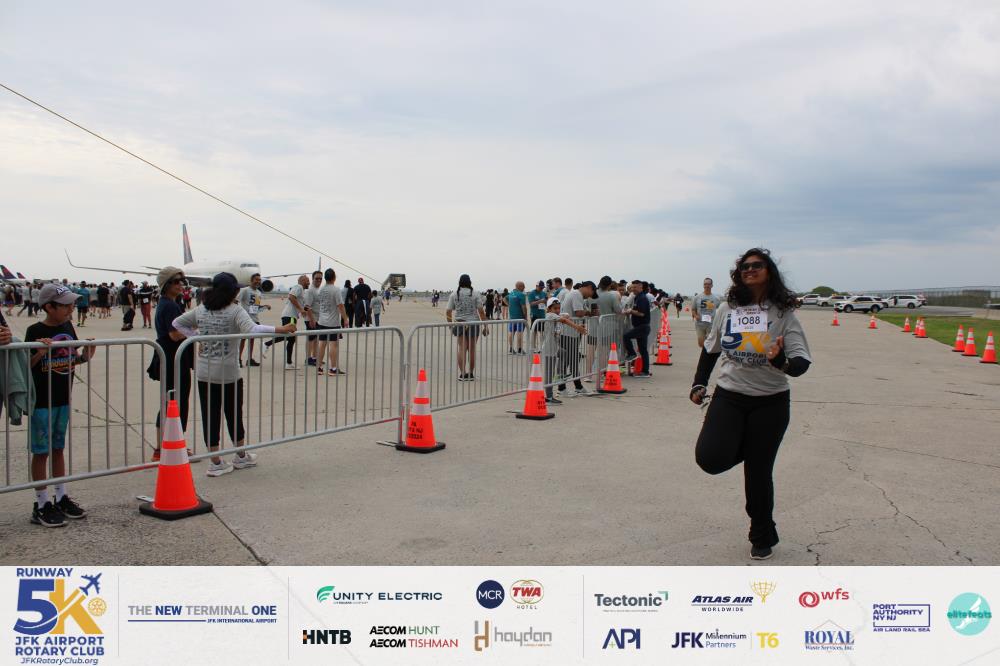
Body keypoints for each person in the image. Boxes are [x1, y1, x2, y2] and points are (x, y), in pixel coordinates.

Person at [690, 248, 812, 561]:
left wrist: (781, 360)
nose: (750, 270)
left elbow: (800, 363)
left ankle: (762, 534)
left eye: (757, 265)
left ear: (769, 271)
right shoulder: (727, 308)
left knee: (758, 472)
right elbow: (711, 349)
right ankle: (750, 446)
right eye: (745, 266)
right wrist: (699, 382)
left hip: (770, 402)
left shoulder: (782, 313)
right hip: (729, 395)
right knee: (710, 458)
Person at [172, 272, 296, 477]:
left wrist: (197, 337)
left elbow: (178, 323)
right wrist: (281, 329)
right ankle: (240, 455)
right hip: (228, 372)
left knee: (210, 415)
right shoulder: (235, 310)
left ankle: (215, 461)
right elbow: (253, 329)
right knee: (233, 414)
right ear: (231, 291)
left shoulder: (202, 308)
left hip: (204, 372)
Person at [25, 283, 96, 527]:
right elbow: (25, 365)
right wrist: (39, 352)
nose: (71, 309)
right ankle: (41, 503)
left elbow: (72, 359)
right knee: (41, 451)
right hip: (41, 402)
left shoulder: (68, 327)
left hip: (63, 398)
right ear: (49, 307)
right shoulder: (34, 330)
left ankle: (61, 495)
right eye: (65, 305)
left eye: (71, 304)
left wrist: (86, 354)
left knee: (58, 448)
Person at [152, 267, 194, 461]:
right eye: (176, 281)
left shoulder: (170, 303)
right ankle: (167, 447)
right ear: (167, 285)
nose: (180, 285)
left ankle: (164, 446)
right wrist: (194, 331)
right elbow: (174, 334)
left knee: (171, 401)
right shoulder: (169, 306)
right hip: (172, 358)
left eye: (181, 281)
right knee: (175, 402)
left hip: (172, 357)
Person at [540, 297, 587, 404]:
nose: (557, 310)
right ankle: (549, 397)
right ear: (549, 309)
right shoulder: (550, 315)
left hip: (555, 347)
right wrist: (577, 327)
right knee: (549, 374)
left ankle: (560, 374)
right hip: (549, 348)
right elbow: (564, 319)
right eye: (555, 308)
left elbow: (566, 315)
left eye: (558, 308)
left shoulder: (556, 315)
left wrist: (563, 315)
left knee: (565, 353)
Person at [445, 274, 488, 381]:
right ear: (469, 282)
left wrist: (450, 325)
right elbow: (481, 311)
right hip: (474, 323)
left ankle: (463, 373)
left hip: (460, 323)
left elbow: (448, 311)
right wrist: (485, 326)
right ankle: (471, 373)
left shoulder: (454, 294)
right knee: (472, 349)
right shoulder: (475, 293)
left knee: (462, 348)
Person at [557, 280, 595, 396]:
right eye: (592, 292)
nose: (591, 295)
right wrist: (589, 312)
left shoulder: (575, 294)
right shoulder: (576, 295)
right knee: (568, 360)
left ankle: (576, 386)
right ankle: (563, 388)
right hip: (568, 333)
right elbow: (579, 313)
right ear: (589, 287)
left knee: (572, 360)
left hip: (570, 333)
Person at [264, 275, 308, 370]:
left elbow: (297, 301)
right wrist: (301, 309)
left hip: (290, 316)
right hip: (290, 316)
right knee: (288, 336)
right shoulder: (299, 287)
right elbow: (291, 297)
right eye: (307, 280)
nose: (309, 282)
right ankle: (267, 344)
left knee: (290, 338)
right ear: (302, 281)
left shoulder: (302, 291)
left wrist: (304, 309)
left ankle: (288, 363)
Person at [314, 268, 348, 375]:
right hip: (333, 322)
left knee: (322, 344)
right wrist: (345, 318)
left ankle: (319, 367)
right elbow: (340, 305)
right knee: (333, 345)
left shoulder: (321, 290)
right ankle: (333, 368)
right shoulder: (336, 290)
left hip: (322, 321)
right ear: (334, 277)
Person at [622, 280, 652, 378]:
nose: (633, 289)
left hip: (642, 326)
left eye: (635, 287)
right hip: (641, 326)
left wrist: (630, 311)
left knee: (626, 336)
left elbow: (641, 313)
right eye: (632, 287)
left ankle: (632, 353)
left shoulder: (642, 298)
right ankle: (645, 371)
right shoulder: (637, 297)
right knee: (643, 350)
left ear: (641, 287)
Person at [238, 273, 268, 367]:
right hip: (245, 319)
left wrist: (264, 306)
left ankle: (250, 359)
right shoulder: (245, 290)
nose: (258, 281)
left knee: (252, 339)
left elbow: (256, 306)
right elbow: (236, 301)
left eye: (259, 280)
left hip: (255, 318)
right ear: (251, 280)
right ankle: (238, 359)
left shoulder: (259, 293)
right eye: (256, 279)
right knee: (243, 339)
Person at [692, 277, 723, 348]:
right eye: (705, 284)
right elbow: (693, 309)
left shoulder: (716, 299)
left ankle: (706, 353)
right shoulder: (697, 297)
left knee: (710, 343)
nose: (707, 285)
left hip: (711, 325)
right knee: (701, 343)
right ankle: (705, 351)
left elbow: (720, 310)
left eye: (709, 284)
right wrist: (696, 316)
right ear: (703, 285)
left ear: (712, 285)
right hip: (700, 324)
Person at [304, 270, 322, 366]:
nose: (318, 280)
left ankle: (314, 357)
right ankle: (308, 358)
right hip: (311, 319)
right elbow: (307, 306)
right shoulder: (310, 290)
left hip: (318, 318)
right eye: (316, 278)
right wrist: (312, 319)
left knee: (316, 339)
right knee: (310, 339)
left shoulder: (318, 290)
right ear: (312, 279)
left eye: (320, 278)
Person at [507, 281, 527, 354]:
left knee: (511, 332)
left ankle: (511, 348)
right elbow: (524, 307)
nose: (524, 288)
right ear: (519, 286)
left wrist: (509, 305)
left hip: (512, 317)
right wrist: (525, 317)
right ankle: (519, 348)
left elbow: (504, 299)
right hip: (519, 317)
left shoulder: (511, 293)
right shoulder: (521, 295)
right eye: (523, 286)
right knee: (519, 332)